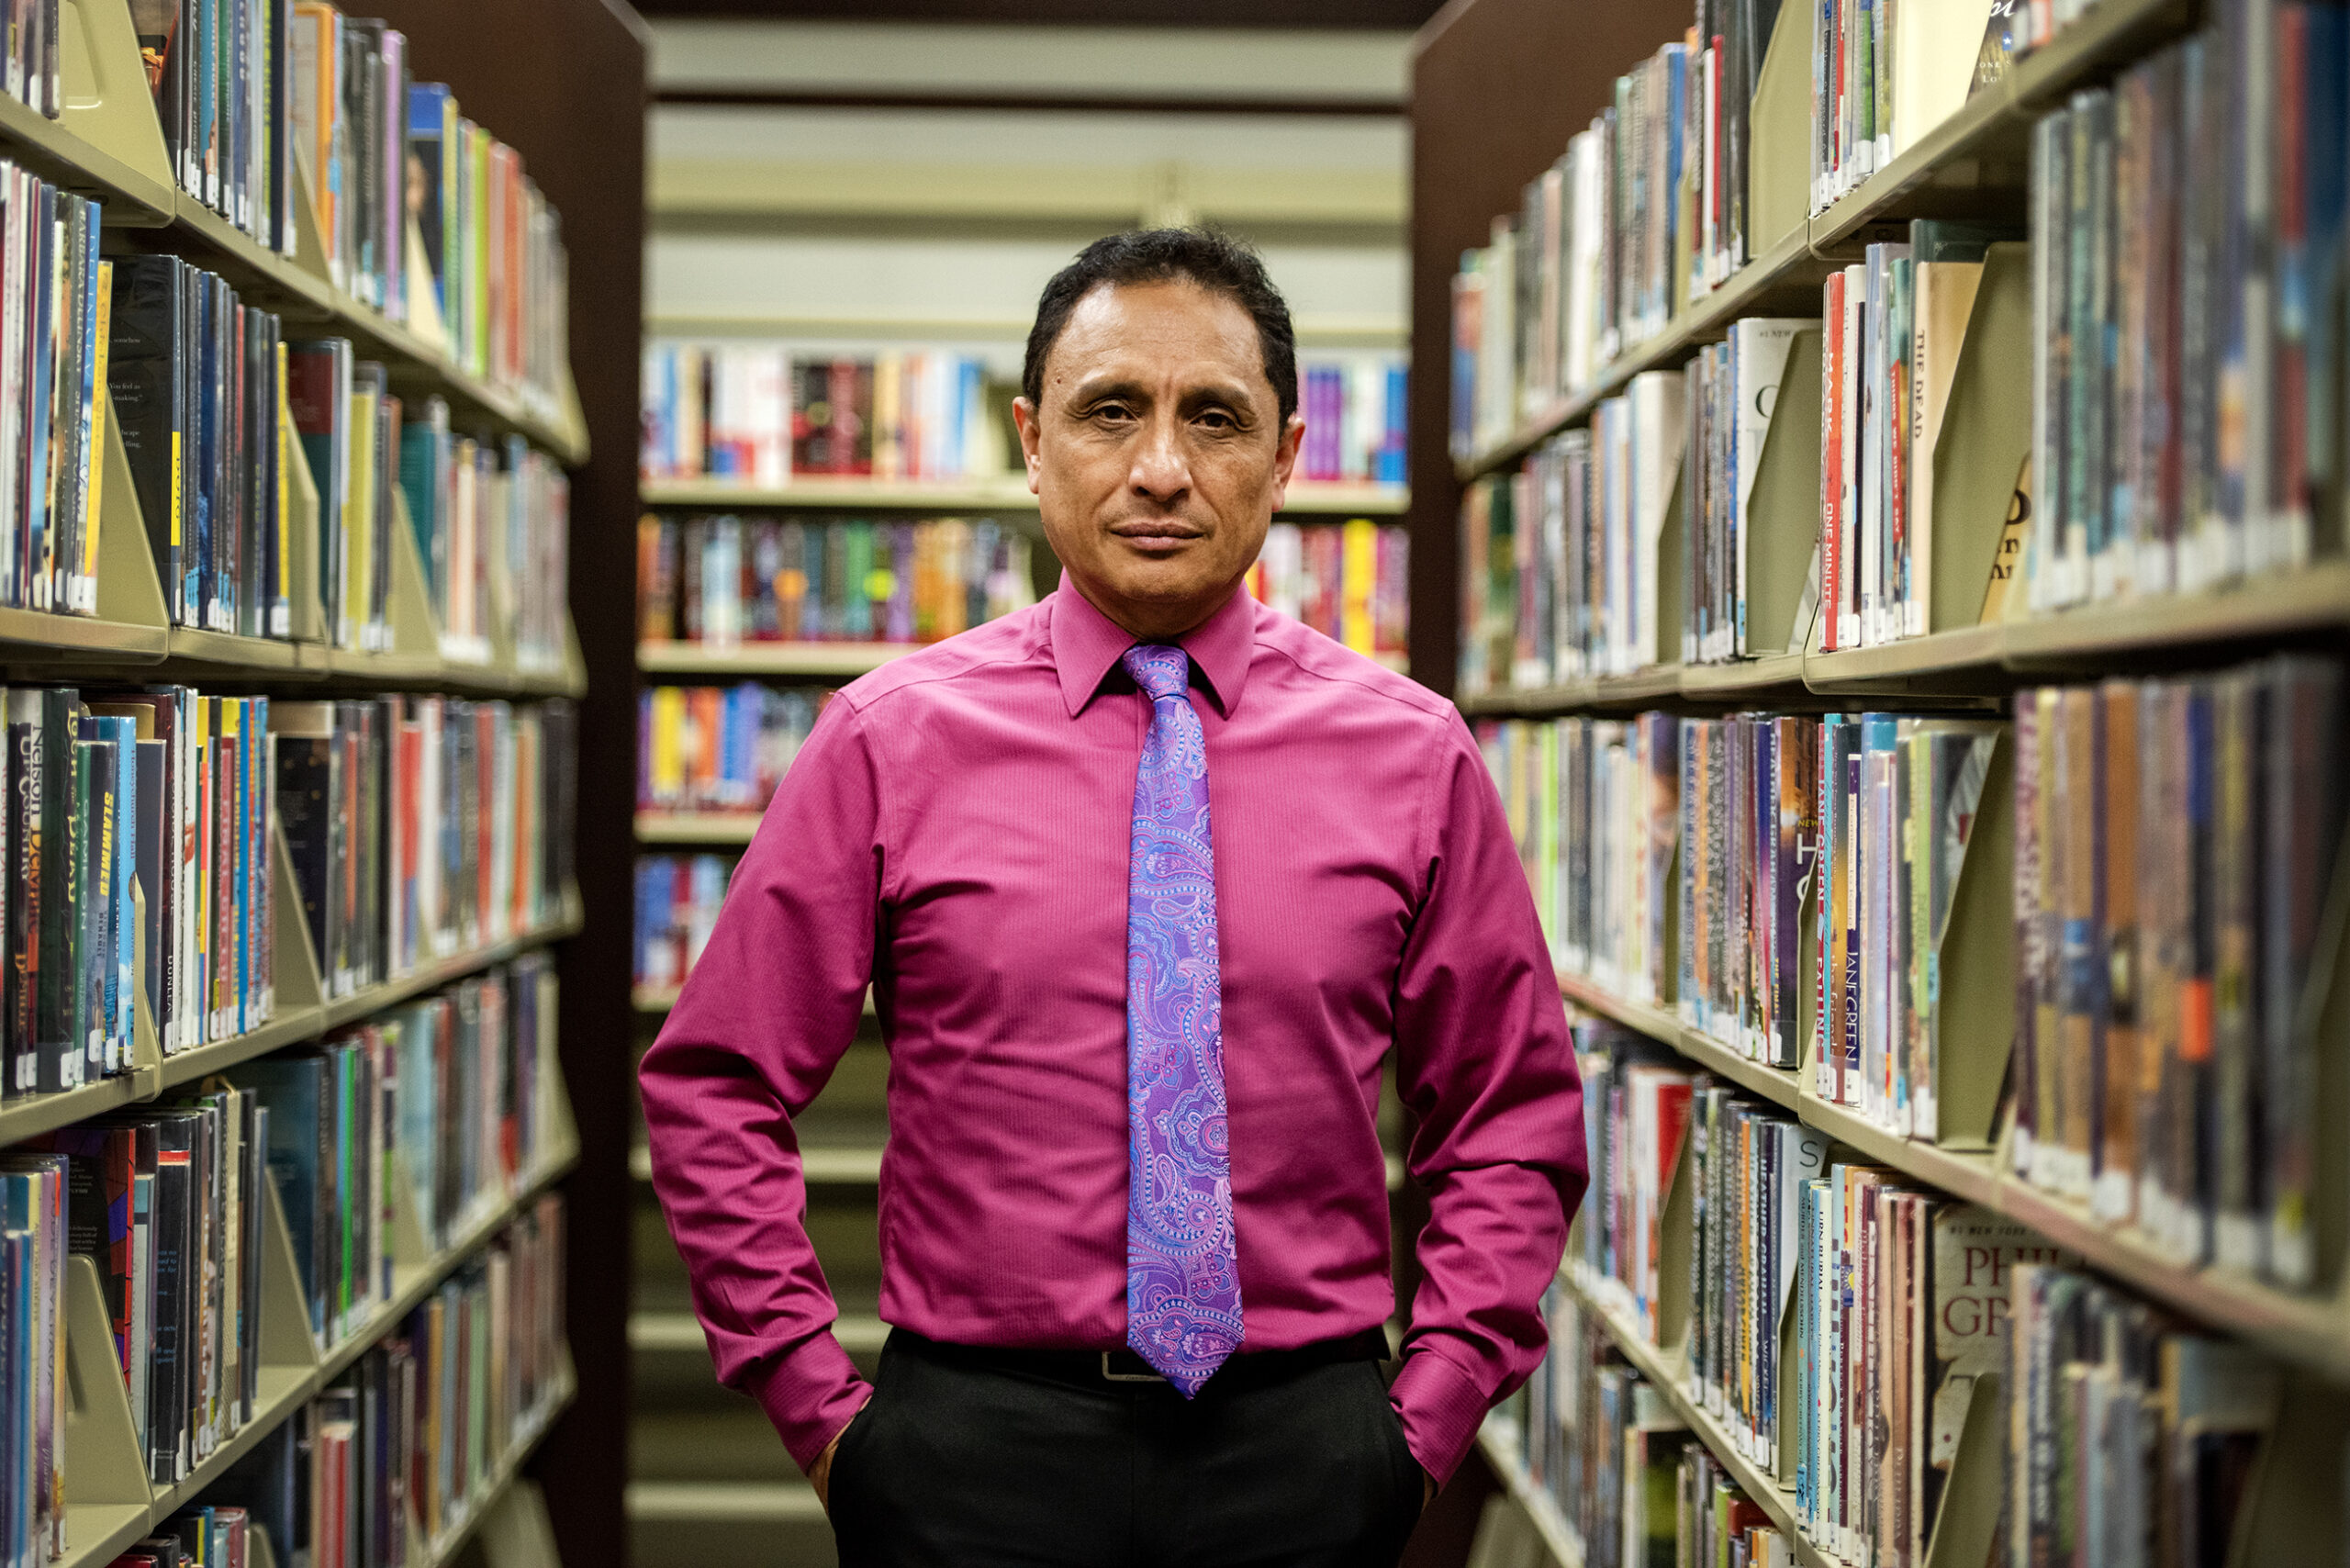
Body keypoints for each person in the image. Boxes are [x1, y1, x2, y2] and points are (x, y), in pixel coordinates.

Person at [638, 228, 1585, 1568]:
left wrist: (1419, 1426)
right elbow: (716, 1081)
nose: (1159, 468)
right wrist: (824, 1415)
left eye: (1214, 418)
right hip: (971, 1457)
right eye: (1109, 412)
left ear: (1288, 452)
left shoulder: (1415, 754)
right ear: (1033, 441)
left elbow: (1509, 1118)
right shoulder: (886, 743)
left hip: (1306, 1452)